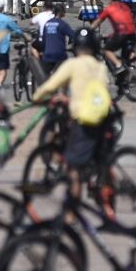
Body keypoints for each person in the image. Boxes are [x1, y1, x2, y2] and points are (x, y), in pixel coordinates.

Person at [31, 28, 112, 215]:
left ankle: (71, 215)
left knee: (73, 169)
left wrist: (37, 97)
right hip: (104, 117)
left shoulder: (73, 65)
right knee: (100, 158)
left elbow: (51, 85)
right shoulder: (100, 66)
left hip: (84, 120)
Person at [93, 0, 136, 73]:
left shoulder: (110, 8)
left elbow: (98, 22)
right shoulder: (125, 6)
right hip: (133, 33)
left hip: (122, 33)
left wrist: (89, 30)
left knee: (106, 50)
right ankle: (125, 79)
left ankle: (118, 65)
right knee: (125, 60)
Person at [40, 4, 75, 75]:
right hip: (59, 55)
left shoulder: (47, 23)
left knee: (46, 77)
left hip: (47, 55)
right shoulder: (62, 24)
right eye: (64, 11)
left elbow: (43, 39)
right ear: (60, 12)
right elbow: (74, 36)